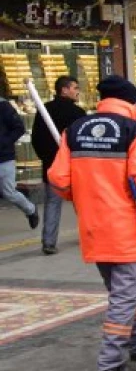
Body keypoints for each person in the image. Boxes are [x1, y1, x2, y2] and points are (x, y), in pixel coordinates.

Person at [48, 75, 136, 371]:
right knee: (124, 298)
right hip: (129, 230)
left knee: (124, 293)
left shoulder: (74, 131)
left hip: (94, 228)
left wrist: (86, 196)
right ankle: (111, 364)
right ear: (131, 102)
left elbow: (59, 181)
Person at [31, 76, 87, 255]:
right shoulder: (78, 113)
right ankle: (90, 235)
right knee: (83, 203)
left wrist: (48, 159)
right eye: (75, 87)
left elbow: (36, 139)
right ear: (64, 90)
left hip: (52, 166)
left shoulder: (44, 110)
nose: (77, 91)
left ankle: (48, 241)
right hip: (75, 165)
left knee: (53, 203)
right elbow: (83, 140)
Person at [0, 92, 35, 229]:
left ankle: (30, 210)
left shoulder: (3, 106)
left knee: (9, 192)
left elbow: (19, 128)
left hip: (4, 157)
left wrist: (4, 143)